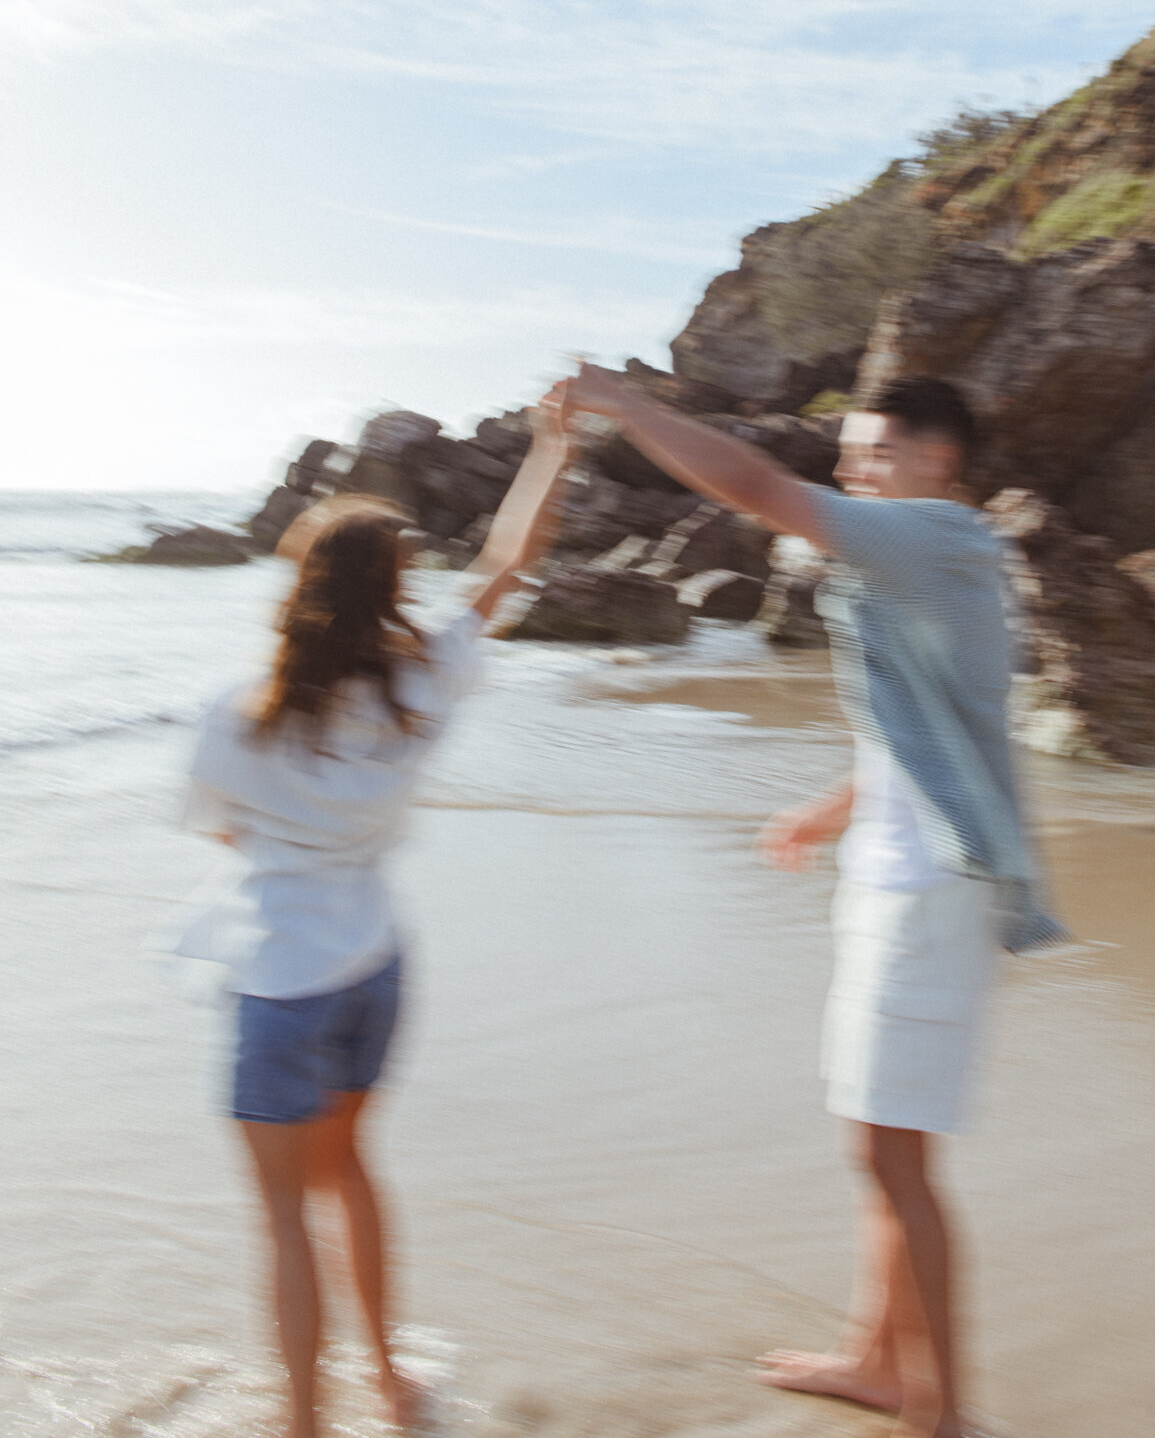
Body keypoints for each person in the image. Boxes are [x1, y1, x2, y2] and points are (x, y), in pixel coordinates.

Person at [558, 365, 1063, 1438]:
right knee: (881, 1147)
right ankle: (881, 1362)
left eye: (871, 448)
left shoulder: (932, 531)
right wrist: (830, 806)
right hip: (900, 877)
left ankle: (941, 1409)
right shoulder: (932, 549)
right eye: (850, 451)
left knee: (895, 1157)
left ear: (939, 459)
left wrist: (624, 401)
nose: (850, 467)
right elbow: (937, 721)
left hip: (927, 897)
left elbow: (755, 485)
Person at [174, 396, 574, 1438]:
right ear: (392, 590)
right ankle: (389, 1378)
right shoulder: (420, 684)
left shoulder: (237, 713)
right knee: (349, 1167)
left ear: (297, 581)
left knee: (282, 1216)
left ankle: (305, 1422)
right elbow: (508, 562)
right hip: (375, 968)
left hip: (281, 981)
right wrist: (553, 447)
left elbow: (219, 834)